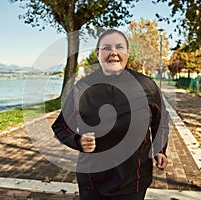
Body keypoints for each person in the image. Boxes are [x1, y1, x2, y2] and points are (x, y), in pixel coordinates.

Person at [52, 29, 169, 200]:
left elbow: (161, 120)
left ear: (127, 53)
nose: (114, 52)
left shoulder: (147, 86)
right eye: (107, 47)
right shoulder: (82, 88)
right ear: (98, 53)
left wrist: (160, 149)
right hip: (92, 182)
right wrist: (78, 141)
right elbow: (60, 126)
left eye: (119, 47)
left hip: (133, 182)